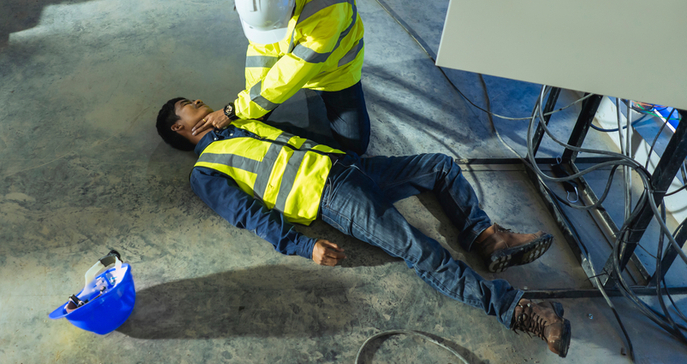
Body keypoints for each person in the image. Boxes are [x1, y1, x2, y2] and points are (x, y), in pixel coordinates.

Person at [157, 97, 572, 358]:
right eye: (190, 105)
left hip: (349, 166)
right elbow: (249, 214)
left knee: (439, 167)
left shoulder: (239, 120)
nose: (201, 101)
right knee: (419, 250)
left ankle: (487, 237)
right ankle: (519, 311)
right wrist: (303, 247)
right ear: (180, 127)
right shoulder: (206, 171)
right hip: (331, 196)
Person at [192, 0, 371, 155]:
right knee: (254, 111)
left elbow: (294, 71)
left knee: (355, 148)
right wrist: (251, 102)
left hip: (336, 71)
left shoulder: (328, 7)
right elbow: (261, 51)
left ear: (293, 0)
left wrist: (234, 109)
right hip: (299, 64)